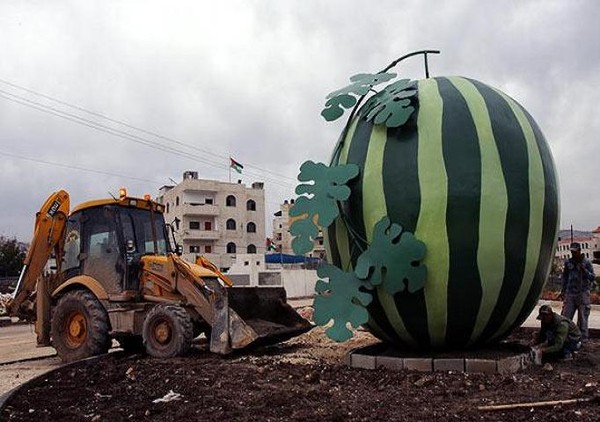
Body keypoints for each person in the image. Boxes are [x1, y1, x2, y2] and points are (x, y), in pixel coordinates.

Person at [560, 242, 596, 341]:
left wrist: (584, 270)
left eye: (575, 252)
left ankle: (582, 338)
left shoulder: (586, 262)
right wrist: (563, 291)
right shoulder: (568, 262)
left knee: (582, 318)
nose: (573, 254)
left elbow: (592, 277)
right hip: (570, 292)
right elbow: (565, 277)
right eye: (572, 252)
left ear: (579, 251)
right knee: (566, 316)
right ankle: (565, 336)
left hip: (583, 292)